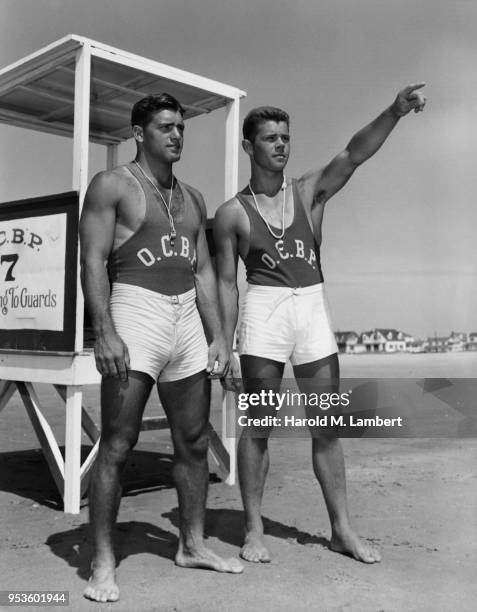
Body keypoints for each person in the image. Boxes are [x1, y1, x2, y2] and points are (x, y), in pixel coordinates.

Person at [214, 84, 426, 565]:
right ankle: (252, 529)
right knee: (260, 426)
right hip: (264, 310)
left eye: (286, 137)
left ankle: (341, 530)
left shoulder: (308, 192)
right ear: (249, 146)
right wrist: (224, 345)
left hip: (310, 308)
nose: (281, 145)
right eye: (270, 138)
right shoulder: (232, 214)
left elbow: (354, 153)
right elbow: (227, 285)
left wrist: (393, 111)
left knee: (326, 426)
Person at [80, 93, 243, 603]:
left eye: (181, 129)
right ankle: (103, 561)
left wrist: (220, 336)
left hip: (185, 320)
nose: (176, 136)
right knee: (118, 442)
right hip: (136, 310)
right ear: (139, 133)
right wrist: (103, 330)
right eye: (165, 128)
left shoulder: (193, 198)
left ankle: (191, 544)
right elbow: (92, 259)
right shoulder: (113, 185)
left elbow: (203, 271)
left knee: (193, 439)